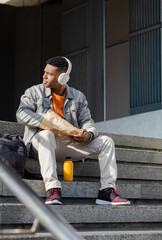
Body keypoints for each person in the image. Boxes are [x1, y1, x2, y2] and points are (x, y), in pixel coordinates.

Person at [16, 56, 130, 206]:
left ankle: (106, 191)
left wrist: (88, 134)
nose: (44, 76)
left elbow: (87, 121)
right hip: (41, 144)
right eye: (45, 72)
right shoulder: (33, 92)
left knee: (106, 141)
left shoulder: (78, 97)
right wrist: (48, 122)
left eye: (49, 74)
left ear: (62, 77)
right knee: (47, 134)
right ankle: (52, 189)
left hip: (68, 144)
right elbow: (21, 114)